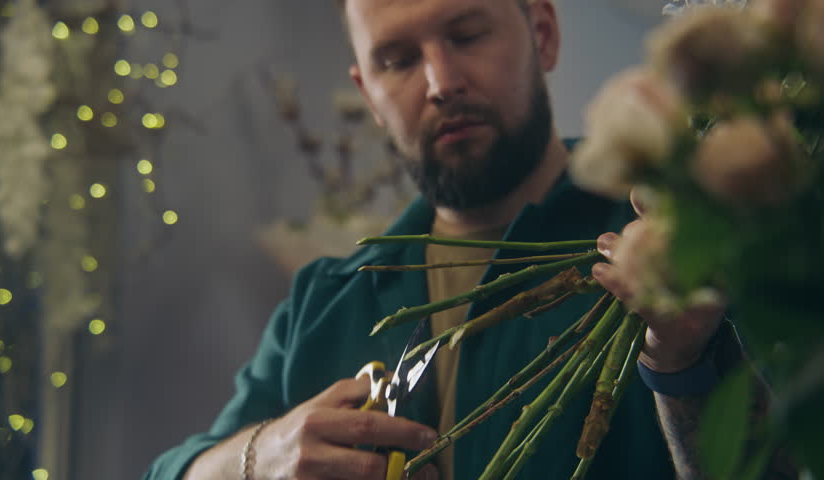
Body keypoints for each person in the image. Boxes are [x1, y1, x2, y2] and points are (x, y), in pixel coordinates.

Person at [143, 0, 762, 478]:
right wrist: (260, 457)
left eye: (466, 35)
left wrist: (680, 360)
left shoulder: (676, 237)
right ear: (370, 97)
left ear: (542, 33)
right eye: (397, 59)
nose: (440, 81)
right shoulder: (326, 300)